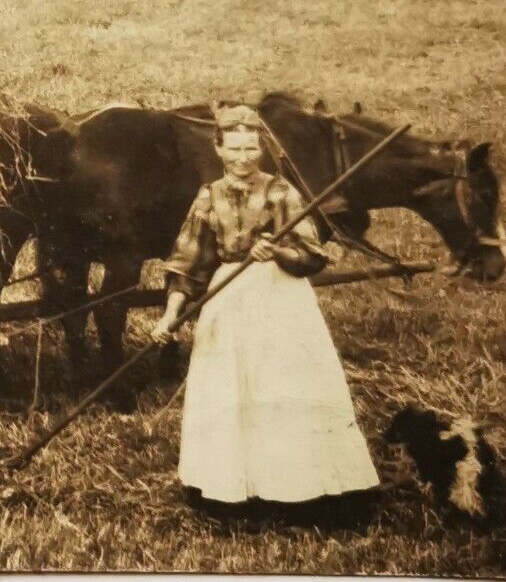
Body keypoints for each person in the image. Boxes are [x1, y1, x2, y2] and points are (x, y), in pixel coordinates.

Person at [150, 104, 380, 510]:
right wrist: (171, 316)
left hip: (281, 302)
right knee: (229, 391)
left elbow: (311, 255)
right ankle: (230, 492)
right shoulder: (208, 196)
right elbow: (188, 261)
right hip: (228, 302)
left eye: (251, 149)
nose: (243, 159)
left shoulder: (281, 192)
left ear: (262, 150)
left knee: (285, 391)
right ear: (218, 149)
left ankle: (300, 493)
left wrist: (278, 251)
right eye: (234, 149)